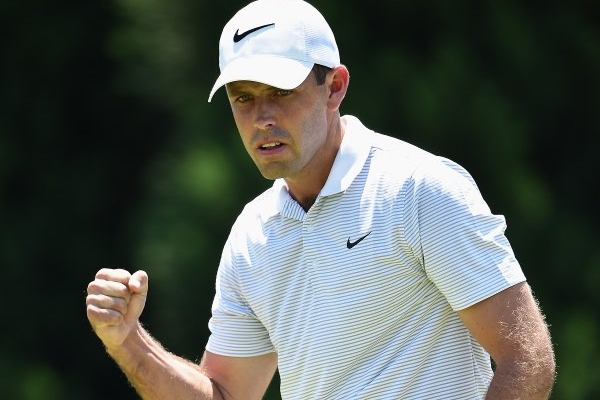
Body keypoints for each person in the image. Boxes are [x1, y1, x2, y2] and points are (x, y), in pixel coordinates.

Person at [85, 0, 556, 398]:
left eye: (280, 92)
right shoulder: (252, 236)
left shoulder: (418, 188)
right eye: (243, 98)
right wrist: (129, 342)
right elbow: (227, 394)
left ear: (335, 87)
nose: (262, 118)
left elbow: (527, 356)